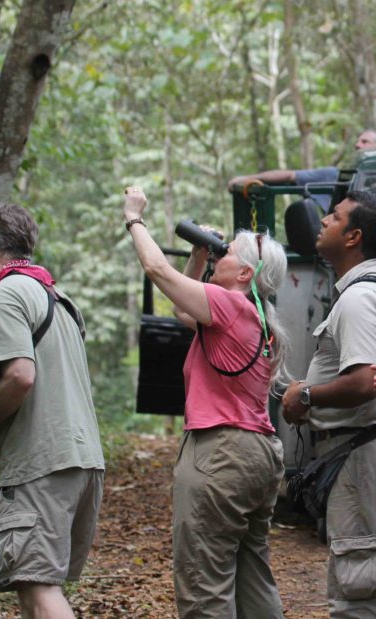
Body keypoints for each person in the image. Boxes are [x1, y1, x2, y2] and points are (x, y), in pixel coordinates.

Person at [123, 187, 287, 619]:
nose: (219, 256)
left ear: (245, 274)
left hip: (221, 455)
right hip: (260, 455)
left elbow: (157, 269)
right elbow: (181, 310)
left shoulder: (227, 305)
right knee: (252, 575)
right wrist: (199, 253)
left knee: (204, 584)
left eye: (225, 253)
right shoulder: (257, 318)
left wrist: (134, 218)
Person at [0, 202, 104, 619]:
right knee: (34, 588)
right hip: (82, 461)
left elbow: (21, 376)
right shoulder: (57, 296)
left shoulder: (4, 295)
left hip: (42, 464)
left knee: (40, 591)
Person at [279, 190, 376, 619]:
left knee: (361, 588)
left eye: (333, 217)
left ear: (353, 236)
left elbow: (364, 379)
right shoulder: (374, 288)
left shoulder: (360, 297)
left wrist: (305, 396)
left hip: (363, 455)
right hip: (367, 452)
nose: (322, 222)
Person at [227, 128, 376, 192]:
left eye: (365, 142)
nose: (357, 145)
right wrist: (248, 179)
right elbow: (290, 175)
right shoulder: (337, 176)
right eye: (358, 141)